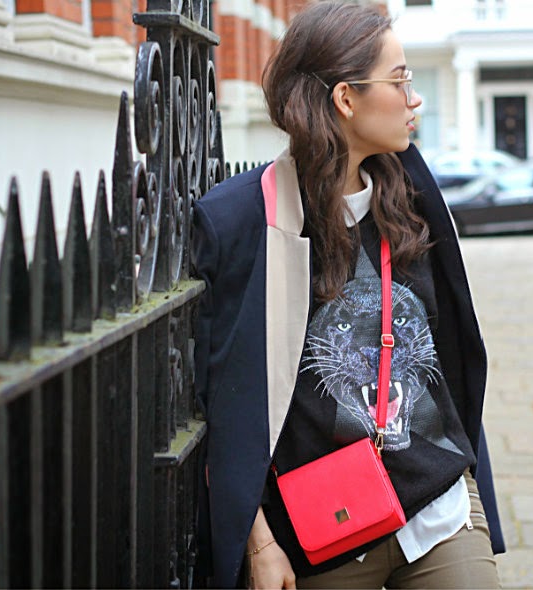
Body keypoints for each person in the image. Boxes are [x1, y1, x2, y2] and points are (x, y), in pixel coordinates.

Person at [192, 2, 504, 588]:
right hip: (321, 528)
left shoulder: (413, 200)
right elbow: (220, 401)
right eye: (400, 80)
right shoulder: (240, 220)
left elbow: (452, 351)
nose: (415, 99)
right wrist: (260, 542)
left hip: (436, 504)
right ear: (345, 99)